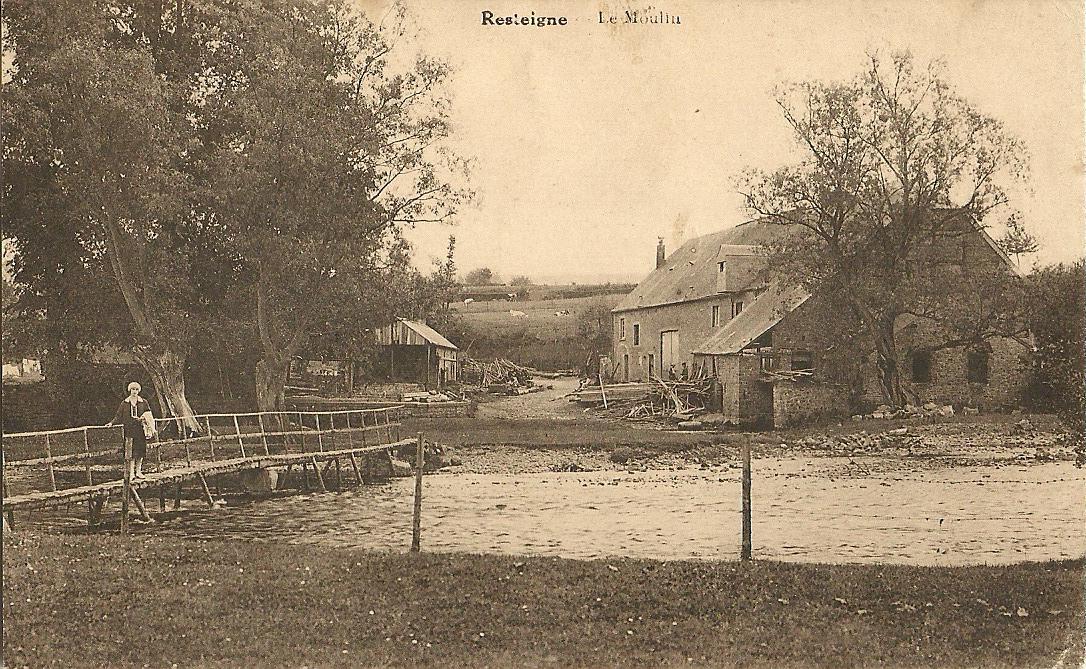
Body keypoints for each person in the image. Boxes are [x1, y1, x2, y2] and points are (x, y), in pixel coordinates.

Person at [109, 382, 154, 481]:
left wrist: (143, 418)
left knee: (140, 450)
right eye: (133, 389)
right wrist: (111, 423)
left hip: (140, 429)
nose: (134, 391)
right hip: (129, 429)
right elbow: (118, 415)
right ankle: (131, 473)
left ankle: (139, 471)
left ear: (139, 391)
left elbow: (149, 414)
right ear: (130, 390)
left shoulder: (143, 402)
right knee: (131, 451)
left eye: (136, 389)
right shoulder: (125, 403)